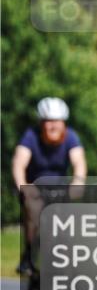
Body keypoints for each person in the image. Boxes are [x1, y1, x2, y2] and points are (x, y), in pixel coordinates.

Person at [11, 97, 87, 275]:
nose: (53, 126)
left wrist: (78, 183)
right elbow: (18, 163)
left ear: (64, 123)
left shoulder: (71, 137)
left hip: (59, 189)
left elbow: (79, 163)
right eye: (48, 121)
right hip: (35, 188)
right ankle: (30, 254)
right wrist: (24, 187)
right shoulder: (30, 136)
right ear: (41, 123)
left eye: (57, 121)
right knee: (34, 210)